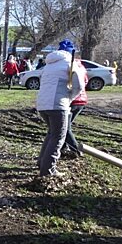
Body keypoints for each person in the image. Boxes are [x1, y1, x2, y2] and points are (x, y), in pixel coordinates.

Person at [36, 39, 84, 177]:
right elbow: (79, 86)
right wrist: (70, 98)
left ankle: (41, 162)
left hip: (42, 104)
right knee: (58, 137)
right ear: (71, 52)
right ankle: (48, 170)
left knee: (52, 133)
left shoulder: (49, 64)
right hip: (58, 105)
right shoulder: (70, 63)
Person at [62, 58, 88, 158]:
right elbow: (85, 81)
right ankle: (63, 147)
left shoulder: (70, 68)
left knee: (65, 127)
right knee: (65, 125)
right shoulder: (82, 68)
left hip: (73, 100)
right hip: (82, 100)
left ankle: (75, 150)